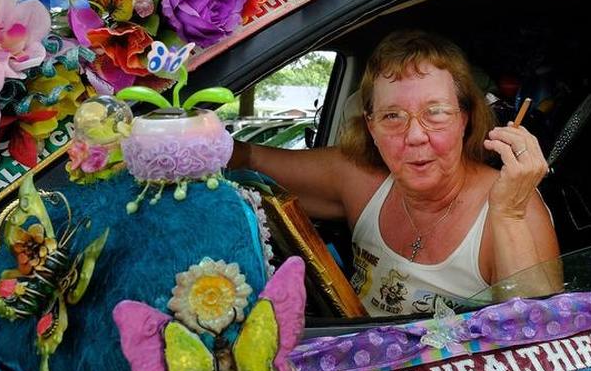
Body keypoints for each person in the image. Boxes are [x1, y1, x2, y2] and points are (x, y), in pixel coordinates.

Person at [229, 30, 561, 316]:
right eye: (392, 116)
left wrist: (510, 215)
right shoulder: (359, 178)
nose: (415, 135)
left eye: (435, 112)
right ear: (370, 126)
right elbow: (248, 159)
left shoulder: (513, 205)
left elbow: (541, 335)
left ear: (465, 119)